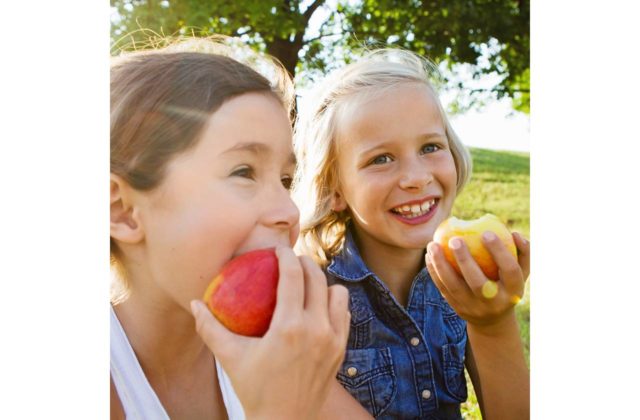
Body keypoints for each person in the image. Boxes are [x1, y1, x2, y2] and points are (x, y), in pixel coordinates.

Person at [109, 37, 361, 419]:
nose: (289, 212)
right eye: (243, 171)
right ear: (122, 210)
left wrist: (488, 330)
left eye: (286, 179)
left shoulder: (274, 353)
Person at [292, 48, 530, 419]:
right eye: (381, 159)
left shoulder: (465, 278)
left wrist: (493, 323)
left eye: (430, 147)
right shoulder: (311, 295)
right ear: (335, 189)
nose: (417, 177)